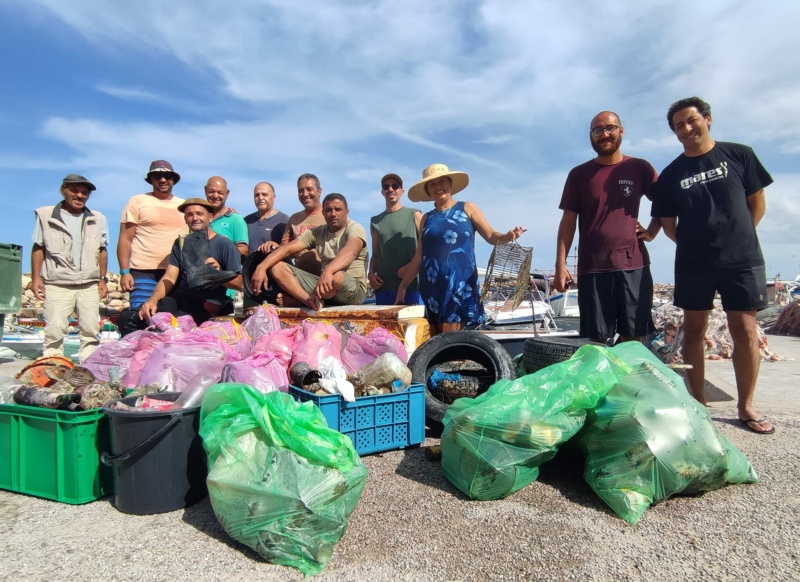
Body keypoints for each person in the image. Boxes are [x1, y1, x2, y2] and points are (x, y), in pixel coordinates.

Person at [651, 96, 775, 435]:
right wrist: (691, 244)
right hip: (694, 262)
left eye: (691, 121)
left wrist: (739, 236)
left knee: (745, 330)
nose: (686, 128)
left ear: (707, 119)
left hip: (742, 258)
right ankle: (698, 404)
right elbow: (665, 219)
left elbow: (756, 202)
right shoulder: (672, 174)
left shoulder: (740, 154)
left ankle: (746, 406)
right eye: (679, 125)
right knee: (693, 330)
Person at [554, 111, 661, 344]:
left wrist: (653, 230)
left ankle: (627, 382)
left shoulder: (639, 167)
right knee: (596, 341)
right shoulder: (578, 175)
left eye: (610, 128)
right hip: (592, 268)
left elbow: (666, 201)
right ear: (591, 136)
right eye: (598, 130)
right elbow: (567, 222)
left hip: (633, 265)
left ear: (621, 131)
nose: (605, 134)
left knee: (633, 339)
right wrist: (560, 265)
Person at [406, 164, 526, 333]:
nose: (438, 186)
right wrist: (403, 287)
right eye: (432, 184)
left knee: (451, 340)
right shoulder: (426, 218)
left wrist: (507, 236)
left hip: (459, 285)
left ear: (450, 184)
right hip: (431, 286)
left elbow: (491, 235)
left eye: (442, 181)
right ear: (427, 190)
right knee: (432, 340)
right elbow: (419, 256)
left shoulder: (467, 208)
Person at [31, 174, 109, 362]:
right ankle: (52, 367)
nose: (80, 195)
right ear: (63, 191)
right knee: (54, 330)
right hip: (58, 283)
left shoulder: (98, 218)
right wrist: (36, 278)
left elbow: (102, 250)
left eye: (84, 192)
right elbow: (38, 247)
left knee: (90, 331)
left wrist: (103, 279)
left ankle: (87, 371)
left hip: (88, 283)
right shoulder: (46, 215)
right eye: (75, 190)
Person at [250, 193, 368, 309]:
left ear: (347, 212)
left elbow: (350, 251)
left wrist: (328, 271)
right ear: (323, 213)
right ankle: (309, 300)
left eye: (338, 209)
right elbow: (286, 249)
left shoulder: (354, 228)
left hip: (352, 290)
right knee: (277, 267)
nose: (333, 214)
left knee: (337, 276)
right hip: (325, 286)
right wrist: (261, 267)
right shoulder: (317, 232)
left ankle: (305, 299)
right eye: (328, 210)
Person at [138, 198, 242, 325]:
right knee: (136, 317)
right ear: (185, 219)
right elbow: (170, 277)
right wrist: (152, 300)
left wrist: (219, 274)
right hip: (182, 298)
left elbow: (240, 283)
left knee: (174, 322)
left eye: (199, 214)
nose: (195, 218)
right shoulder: (181, 243)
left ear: (210, 217)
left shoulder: (224, 244)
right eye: (190, 214)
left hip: (206, 305)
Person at [117, 160, 186, 335]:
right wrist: (124, 272)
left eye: (168, 176)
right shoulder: (138, 201)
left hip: (175, 272)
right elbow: (125, 239)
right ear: (151, 179)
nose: (163, 179)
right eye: (158, 176)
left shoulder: (184, 205)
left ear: (173, 180)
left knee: (170, 321)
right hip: (143, 270)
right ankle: (137, 358)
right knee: (139, 317)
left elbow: (204, 222)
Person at [369, 173, 422, 305]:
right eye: (386, 187)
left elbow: (427, 247)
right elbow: (375, 255)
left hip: (412, 285)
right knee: (384, 326)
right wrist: (370, 273)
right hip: (384, 288)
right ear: (382, 192)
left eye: (395, 186)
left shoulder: (414, 214)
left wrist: (411, 267)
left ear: (402, 191)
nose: (390, 189)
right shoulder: (375, 221)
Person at [281, 173, 326, 274]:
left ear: (319, 191)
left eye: (309, 189)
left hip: (326, 275)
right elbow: (284, 249)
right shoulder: (294, 219)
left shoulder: (330, 215)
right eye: (301, 190)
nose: (305, 194)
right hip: (301, 275)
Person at [205, 176, 249, 257]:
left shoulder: (236, 219)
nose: (215, 196)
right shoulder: (198, 218)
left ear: (227, 194)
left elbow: (244, 250)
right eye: (211, 191)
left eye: (220, 193)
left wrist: (220, 252)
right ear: (205, 191)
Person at [244, 182, 289, 254]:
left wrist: (277, 247)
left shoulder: (284, 220)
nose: (260, 198)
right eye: (257, 195)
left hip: (275, 265)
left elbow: (290, 251)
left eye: (264, 194)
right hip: (249, 265)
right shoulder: (246, 221)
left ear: (273, 197)